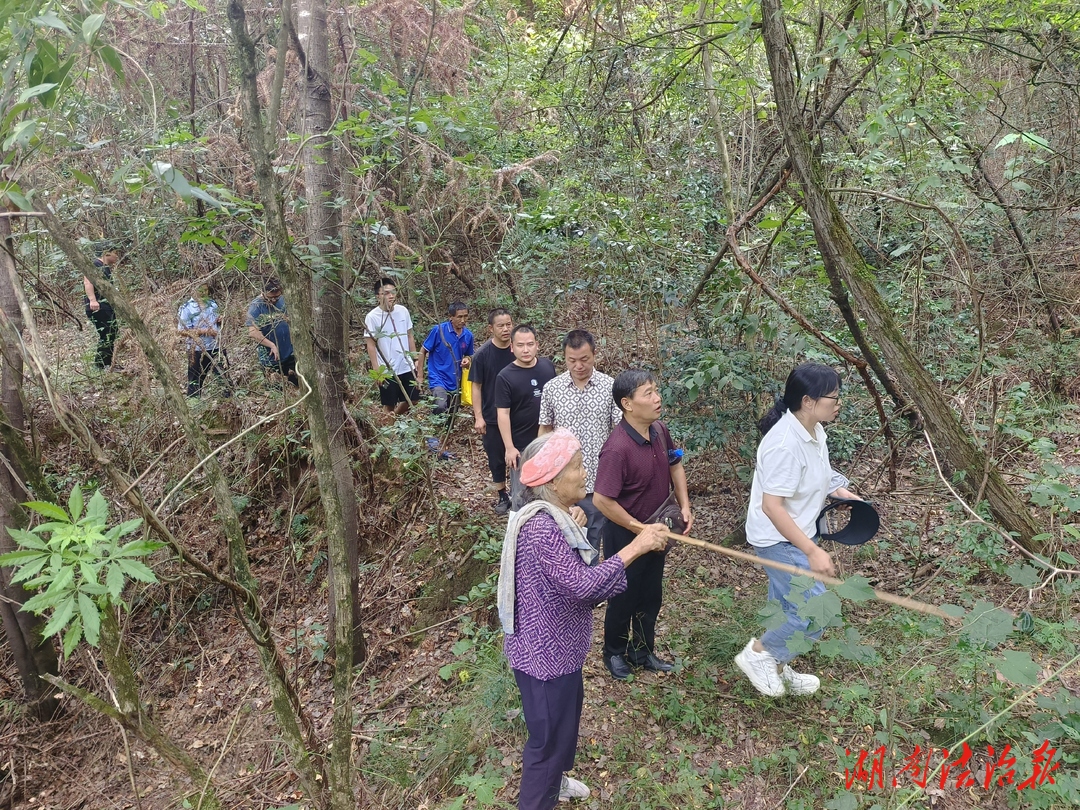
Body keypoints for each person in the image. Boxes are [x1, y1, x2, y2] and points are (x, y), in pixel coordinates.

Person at [498, 429, 669, 810]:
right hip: (544, 660)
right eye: (576, 467)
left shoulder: (554, 517)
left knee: (563, 726)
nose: (584, 472)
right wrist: (637, 546)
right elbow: (583, 586)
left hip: (560, 652)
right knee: (546, 743)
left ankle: (556, 782)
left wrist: (570, 519)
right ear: (554, 481)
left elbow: (566, 570)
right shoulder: (542, 528)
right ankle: (540, 795)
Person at [734, 363, 862, 697]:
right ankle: (758, 655)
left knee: (787, 609)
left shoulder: (813, 430)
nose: (838, 403)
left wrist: (839, 490)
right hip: (780, 540)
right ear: (808, 401)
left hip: (798, 533)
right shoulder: (783, 445)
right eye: (832, 398)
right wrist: (812, 550)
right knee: (815, 612)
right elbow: (772, 506)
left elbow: (818, 470)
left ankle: (777, 664)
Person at [594, 369, 693, 681]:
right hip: (626, 534)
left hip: (658, 529)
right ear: (627, 403)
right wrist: (639, 530)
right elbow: (601, 501)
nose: (657, 398)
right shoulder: (617, 447)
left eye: (655, 390)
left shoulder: (660, 430)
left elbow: (675, 463)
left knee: (651, 594)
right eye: (648, 393)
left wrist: (685, 505)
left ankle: (642, 651)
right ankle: (614, 653)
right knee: (624, 595)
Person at [538, 329, 622, 560]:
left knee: (593, 539)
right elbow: (544, 431)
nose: (578, 366)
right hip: (562, 483)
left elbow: (619, 431)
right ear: (564, 358)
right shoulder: (552, 389)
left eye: (584, 359)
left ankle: (590, 590)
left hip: (598, 480)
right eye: (571, 361)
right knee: (562, 538)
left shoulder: (610, 387)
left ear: (595, 354)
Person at [495, 325, 557, 499]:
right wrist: (509, 447)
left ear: (537, 345)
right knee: (522, 495)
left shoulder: (547, 367)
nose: (526, 349)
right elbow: (503, 413)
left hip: (548, 441)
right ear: (512, 347)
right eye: (520, 345)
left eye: (530, 344)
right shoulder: (505, 376)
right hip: (521, 446)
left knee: (551, 493)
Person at [470, 309, 515, 514]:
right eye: (501, 325)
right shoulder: (482, 355)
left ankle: (521, 493)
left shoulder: (518, 348)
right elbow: (476, 386)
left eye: (509, 324)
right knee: (496, 457)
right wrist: (478, 416)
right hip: (492, 415)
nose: (506, 329)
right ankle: (502, 495)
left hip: (518, 413)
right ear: (491, 328)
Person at [364, 277, 418, 415]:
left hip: (406, 365)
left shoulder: (403, 311)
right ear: (378, 296)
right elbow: (371, 345)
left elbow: (409, 335)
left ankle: (396, 418)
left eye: (393, 292)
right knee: (388, 405)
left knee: (414, 399)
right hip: (387, 369)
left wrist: (415, 359)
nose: (391, 296)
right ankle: (389, 433)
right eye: (386, 293)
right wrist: (378, 372)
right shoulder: (373, 317)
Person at [416, 302, 474, 415]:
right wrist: (420, 376)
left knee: (453, 412)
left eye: (465, 316)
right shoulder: (439, 331)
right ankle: (435, 426)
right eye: (459, 317)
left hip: (456, 379)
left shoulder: (468, 335)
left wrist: (467, 359)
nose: (463, 320)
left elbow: (469, 354)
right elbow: (423, 351)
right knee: (440, 405)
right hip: (438, 377)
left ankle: (446, 431)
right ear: (451, 317)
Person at [177, 286, 230, 397]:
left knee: (223, 375)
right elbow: (182, 331)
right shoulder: (186, 308)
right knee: (196, 378)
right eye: (200, 290)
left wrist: (220, 320)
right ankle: (194, 403)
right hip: (197, 348)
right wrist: (203, 331)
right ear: (193, 289)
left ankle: (228, 403)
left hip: (215, 345)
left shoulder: (212, 304)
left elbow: (217, 322)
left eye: (205, 290)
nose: (203, 293)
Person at [246, 277, 298, 387]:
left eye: (277, 297)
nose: (274, 300)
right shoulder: (256, 307)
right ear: (262, 292)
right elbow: (253, 332)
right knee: (278, 389)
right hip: (271, 358)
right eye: (271, 297)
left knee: (296, 386)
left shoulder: (283, 300)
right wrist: (272, 345)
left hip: (290, 353)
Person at [83, 249, 121, 370]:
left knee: (111, 332)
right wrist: (92, 300)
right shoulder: (95, 265)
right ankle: (102, 365)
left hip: (106, 305)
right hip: (98, 306)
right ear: (107, 253)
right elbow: (88, 282)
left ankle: (107, 363)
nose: (117, 256)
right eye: (116, 253)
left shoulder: (105, 267)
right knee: (107, 333)